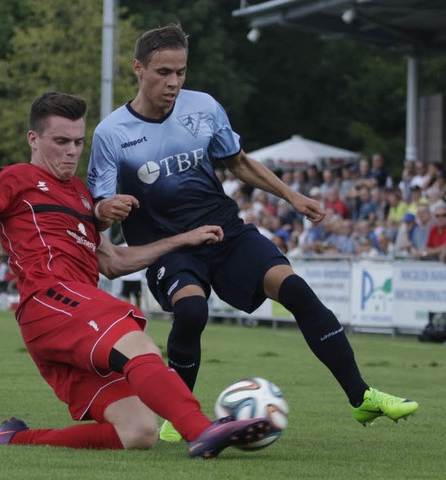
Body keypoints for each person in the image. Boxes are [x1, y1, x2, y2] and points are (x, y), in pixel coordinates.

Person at [87, 24, 418, 442]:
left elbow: (238, 163)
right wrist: (104, 209)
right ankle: (177, 415)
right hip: (170, 248)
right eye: (162, 72)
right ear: (137, 68)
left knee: (296, 290)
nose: (173, 82)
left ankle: (362, 397)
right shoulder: (111, 133)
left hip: (225, 233)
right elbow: (98, 210)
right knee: (191, 312)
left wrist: (291, 196)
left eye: (181, 72)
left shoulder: (204, 108)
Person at [0, 91, 273, 459]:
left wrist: (184, 239)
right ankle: (202, 432)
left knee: (138, 431)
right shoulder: (15, 179)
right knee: (138, 342)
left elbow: (114, 261)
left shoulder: (80, 195)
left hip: (70, 321)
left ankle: (12, 438)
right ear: (33, 139)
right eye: (61, 141)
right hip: (50, 299)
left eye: (77, 142)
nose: (72, 151)